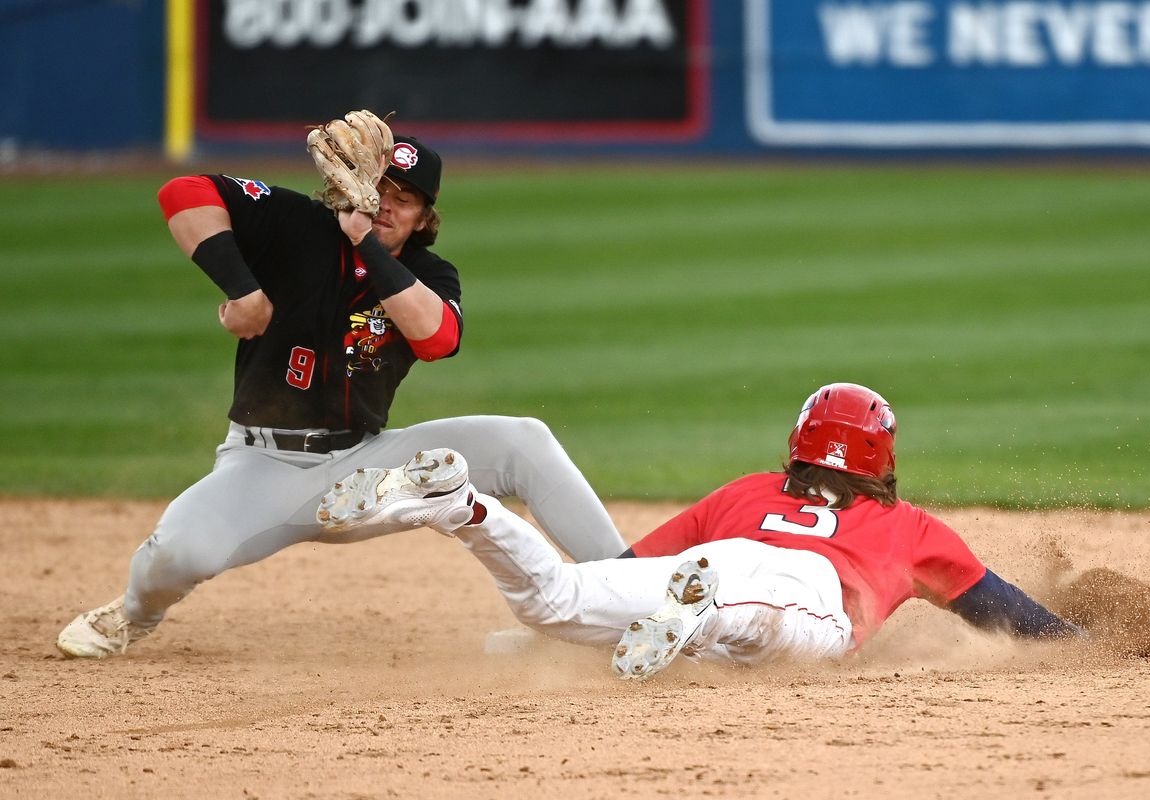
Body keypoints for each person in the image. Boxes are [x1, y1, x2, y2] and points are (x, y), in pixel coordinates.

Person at [55, 119, 627, 659]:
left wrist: (366, 246)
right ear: (352, 182)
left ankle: (635, 596)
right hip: (266, 466)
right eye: (381, 188)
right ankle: (133, 615)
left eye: (404, 199)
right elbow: (184, 192)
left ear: (425, 217)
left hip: (372, 470)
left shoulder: (432, 274)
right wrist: (243, 289)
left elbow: (435, 336)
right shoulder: (297, 226)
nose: (387, 206)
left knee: (522, 441)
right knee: (181, 552)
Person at [314, 382, 1084, 681]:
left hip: (715, 557)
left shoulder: (742, 492)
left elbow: (625, 563)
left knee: (557, 600)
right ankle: (701, 610)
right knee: (776, 629)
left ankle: (464, 506)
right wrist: (1080, 639)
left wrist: (582, 628)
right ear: (881, 459)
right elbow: (1003, 610)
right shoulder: (908, 525)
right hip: (803, 589)